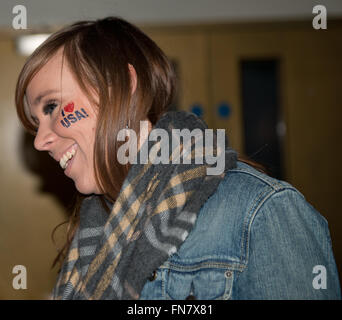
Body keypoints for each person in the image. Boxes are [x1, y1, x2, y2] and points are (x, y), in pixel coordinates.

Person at [15, 17, 341, 300]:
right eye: (35, 123)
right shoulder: (93, 233)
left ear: (121, 85)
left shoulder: (259, 212)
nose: (42, 141)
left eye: (52, 107)